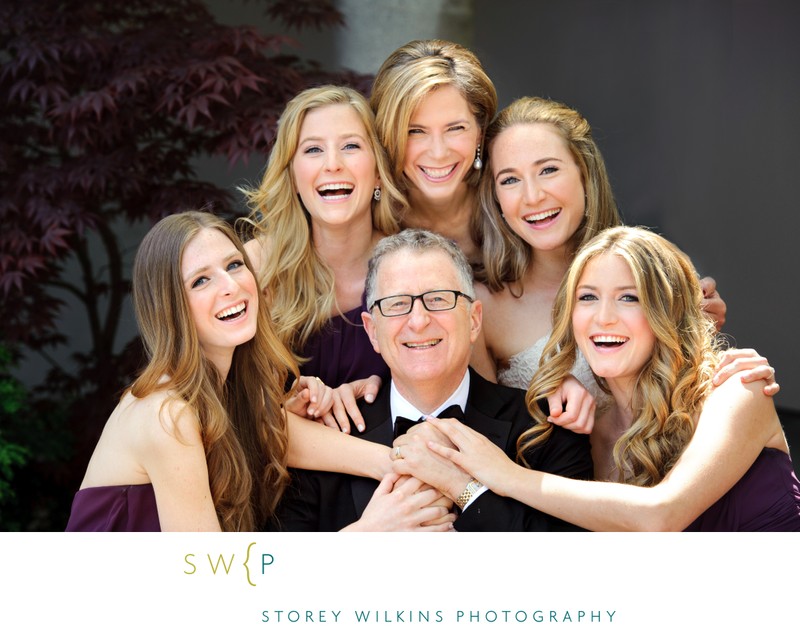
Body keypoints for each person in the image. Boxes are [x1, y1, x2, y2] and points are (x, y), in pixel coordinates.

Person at [414, 226, 800, 531]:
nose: (603, 318)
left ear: (668, 310)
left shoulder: (737, 389)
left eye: (629, 297)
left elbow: (661, 516)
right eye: (588, 298)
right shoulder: (591, 436)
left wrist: (504, 475)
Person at [65, 211, 396, 532]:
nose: (231, 287)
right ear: (170, 307)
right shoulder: (167, 416)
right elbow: (209, 574)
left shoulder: (239, 389)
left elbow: (283, 437)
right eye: (201, 280)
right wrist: (368, 535)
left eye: (234, 265)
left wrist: (411, 465)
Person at [470, 96, 775, 431]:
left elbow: (695, 398)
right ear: (495, 196)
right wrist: (538, 395)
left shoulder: (655, 267)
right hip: (541, 479)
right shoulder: (483, 305)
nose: (532, 196)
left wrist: (723, 363)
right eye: (510, 179)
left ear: (585, 174)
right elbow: (488, 438)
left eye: (549, 170)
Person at [271, 229, 593, 532]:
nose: (419, 320)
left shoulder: (546, 430)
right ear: (372, 331)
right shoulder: (326, 437)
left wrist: (466, 492)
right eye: (397, 304)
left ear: (474, 319)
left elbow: (567, 567)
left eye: (439, 299)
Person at [242, 85, 405, 431]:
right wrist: (293, 407)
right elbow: (233, 416)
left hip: (395, 471)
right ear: (292, 176)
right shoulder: (256, 268)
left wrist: (390, 395)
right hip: (284, 477)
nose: (333, 164)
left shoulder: (412, 264)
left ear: (378, 172)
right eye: (313, 149)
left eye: (350, 146)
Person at [370, 39, 497, 264]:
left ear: (480, 131)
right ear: (388, 135)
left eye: (455, 128)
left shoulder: (512, 203)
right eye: (415, 131)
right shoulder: (368, 222)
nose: (438, 153)